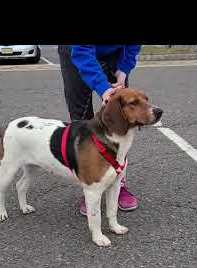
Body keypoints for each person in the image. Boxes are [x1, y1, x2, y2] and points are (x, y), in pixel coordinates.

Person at [58, 45, 142, 215]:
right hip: (76, 51)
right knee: (82, 122)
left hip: (115, 52)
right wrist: (104, 89)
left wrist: (124, 68)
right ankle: (90, 182)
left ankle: (118, 181)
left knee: (120, 120)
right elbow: (82, 52)